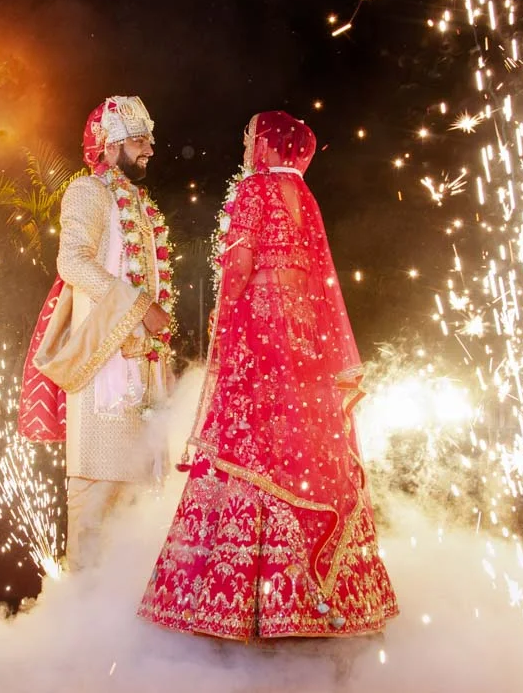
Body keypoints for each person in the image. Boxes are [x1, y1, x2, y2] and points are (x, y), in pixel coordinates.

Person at [139, 111, 398, 639]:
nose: (245, 145)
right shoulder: (305, 197)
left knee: (248, 437)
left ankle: (232, 605)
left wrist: (223, 313)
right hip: (303, 344)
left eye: (249, 136)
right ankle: (320, 603)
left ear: (270, 145)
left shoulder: (254, 188)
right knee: (300, 443)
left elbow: (238, 265)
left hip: (260, 333)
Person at [18, 95, 175, 571]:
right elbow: (72, 262)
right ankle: (82, 630)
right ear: (109, 145)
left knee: (137, 505)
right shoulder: (88, 192)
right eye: (139, 138)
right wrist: (140, 305)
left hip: (142, 370)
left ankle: (126, 625)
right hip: (101, 369)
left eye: (149, 136)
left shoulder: (139, 206)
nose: (151, 147)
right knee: (96, 500)